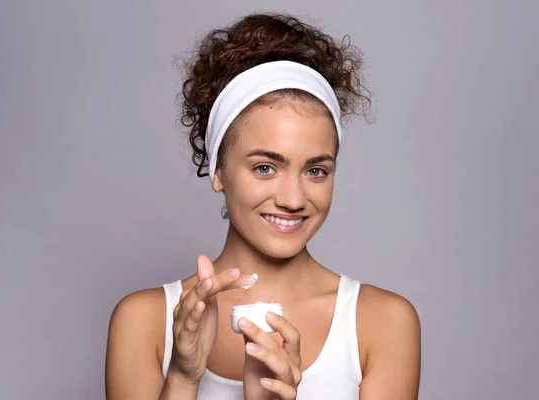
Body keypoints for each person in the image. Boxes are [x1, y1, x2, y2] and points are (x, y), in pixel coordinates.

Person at [105, 12, 421, 400]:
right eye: (266, 167)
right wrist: (184, 379)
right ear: (218, 170)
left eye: (316, 171)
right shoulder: (143, 322)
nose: (292, 199)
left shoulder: (382, 323)